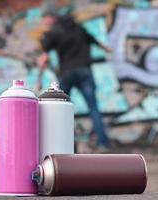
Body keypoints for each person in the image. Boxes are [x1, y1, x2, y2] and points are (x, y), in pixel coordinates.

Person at [37, 10, 112, 152]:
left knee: (60, 109)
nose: (43, 21)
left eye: (45, 18)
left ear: (52, 18)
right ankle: (103, 143)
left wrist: (39, 78)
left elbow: (44, 55)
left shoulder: (54, 32)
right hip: (85, 71)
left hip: (67, 73)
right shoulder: (78, 28)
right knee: (93, 108)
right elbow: (94, 40)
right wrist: (107, 49)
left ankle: (62, 145)